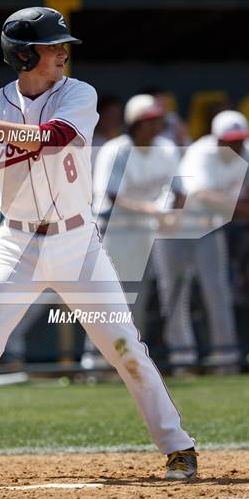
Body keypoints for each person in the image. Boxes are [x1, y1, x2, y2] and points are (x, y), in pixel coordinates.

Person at [0, 7, 197, 481]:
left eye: (62, 44)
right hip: (16, 245)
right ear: (24, 56)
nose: (63, 52)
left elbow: (52, 138)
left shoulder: (78, 95)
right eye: (52, 46)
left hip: (78, 245)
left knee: (124, 346)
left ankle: (178, 447)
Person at [158, 110, 249, 371]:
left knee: (217, 291)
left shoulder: (247, 149)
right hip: (174, 229)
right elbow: (200, 197)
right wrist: (248, 211)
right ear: (217, 139)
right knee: (175, 294)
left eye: (240, 139)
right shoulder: (201, 152)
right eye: (231, 140)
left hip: (208, 227)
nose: (237, 145)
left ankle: (225, 359)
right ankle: (182, 361)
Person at [82, 94, 180, 369]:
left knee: (137, 299)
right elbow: (112, 197)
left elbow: (177, 191)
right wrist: (153, 211)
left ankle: (130, 362)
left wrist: (173, 215)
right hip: (113, 231)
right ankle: (95, 364)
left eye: (159, 120)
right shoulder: (117, 149)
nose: (156, 125)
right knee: (106, 299)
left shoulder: (166, 148)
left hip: (145, 234)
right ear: (135, 123)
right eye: (150, 120)